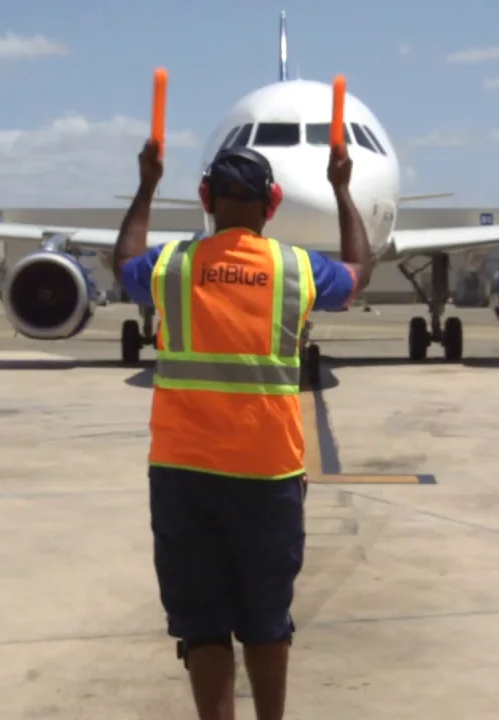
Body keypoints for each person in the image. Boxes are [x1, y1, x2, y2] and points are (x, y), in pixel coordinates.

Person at [114, 140, 372, 720]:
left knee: (201, 624)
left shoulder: (170, 266)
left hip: (184, 475)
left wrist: (148, 185)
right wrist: (341, 188)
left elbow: (121, 263)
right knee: (265, 621)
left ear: (205, 199)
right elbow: (359, 273)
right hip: (267, 474)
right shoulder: (297, 269)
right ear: (272, 203)